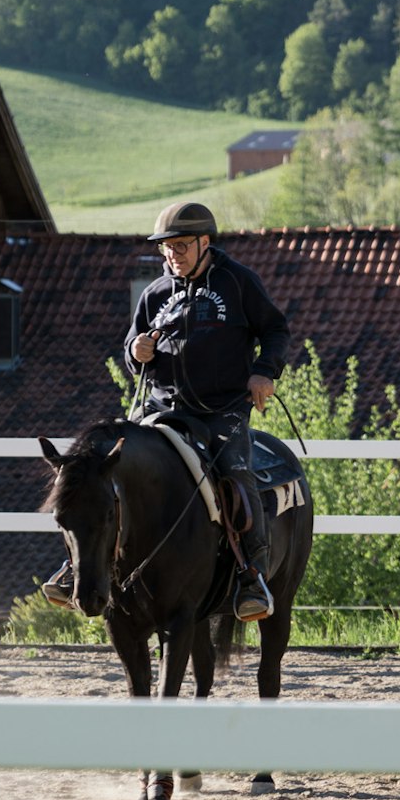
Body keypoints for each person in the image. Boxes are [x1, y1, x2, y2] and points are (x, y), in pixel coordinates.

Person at [120, 200, 291, 621]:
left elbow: (274, 329)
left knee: (236, 475)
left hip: (222, 411)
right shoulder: (155, 293)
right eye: (166, 248)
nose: (171, 256)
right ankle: (85, 570)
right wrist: (135, 350)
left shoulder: (238, 283)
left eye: (180, 247)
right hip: (160, 409)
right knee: (112, 468)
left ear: (204, 242)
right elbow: (131, 349)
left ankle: (253, 576)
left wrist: (263, 371)